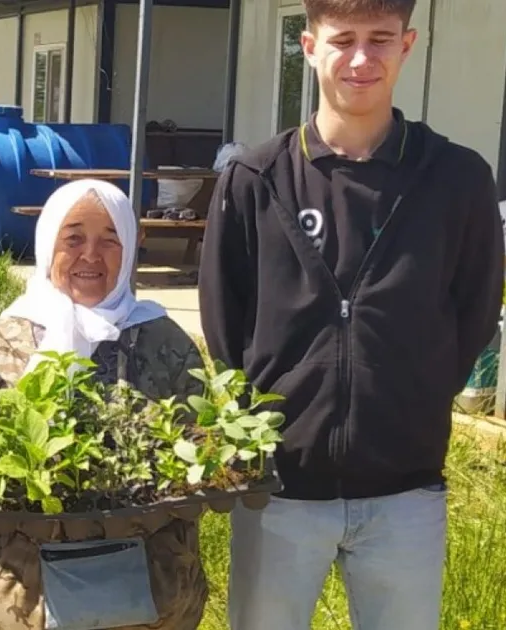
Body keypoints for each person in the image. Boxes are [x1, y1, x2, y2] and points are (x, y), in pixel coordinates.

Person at [197, 0, 505, 628]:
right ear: (309, 47)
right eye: (343, 40)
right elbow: (224, 320)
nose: (362, 59)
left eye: (380, 40)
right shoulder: (257, 178)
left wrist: (417, 392)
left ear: (408, 45)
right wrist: (268, 412)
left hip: (406, 490)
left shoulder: (456, 179)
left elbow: (475, 309)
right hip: (279, 488)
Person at [0, 179, 209, 630]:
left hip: (149, 595)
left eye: (109, 239)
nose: (90, 255)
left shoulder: (165, 343)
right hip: (23, 597)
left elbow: (204, 455)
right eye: (74, 237)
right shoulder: (1, 342)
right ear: (47, 244)